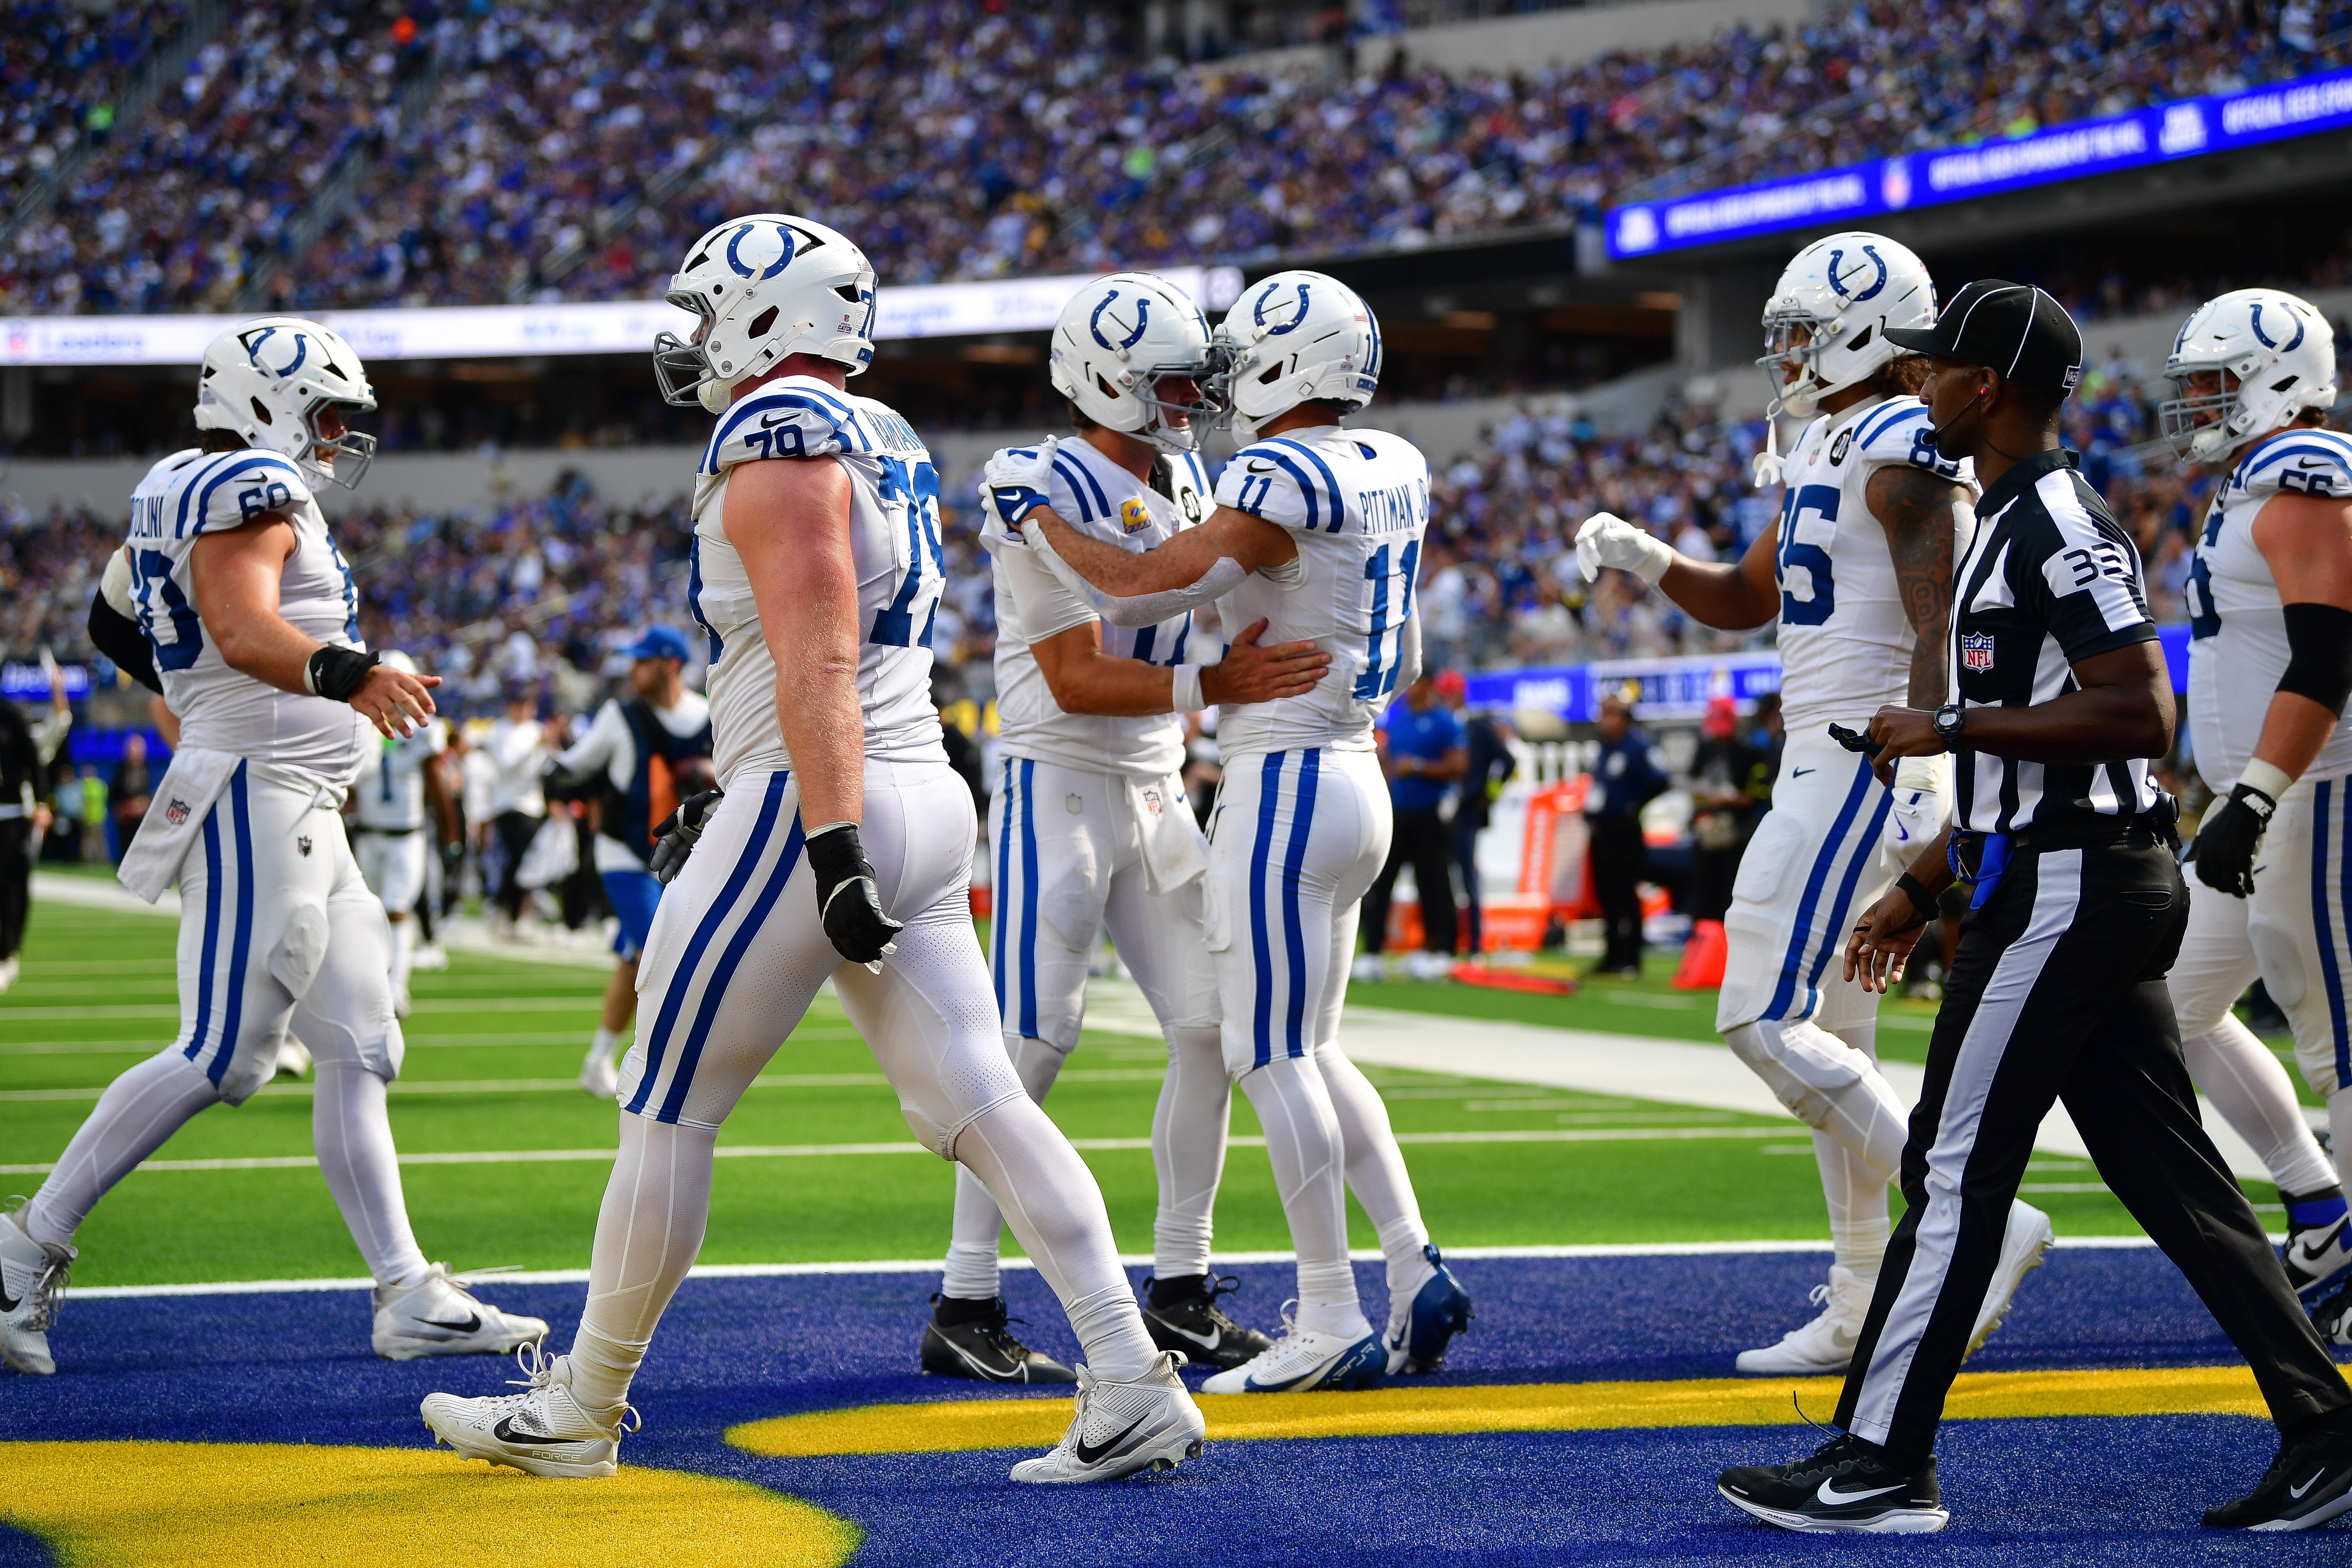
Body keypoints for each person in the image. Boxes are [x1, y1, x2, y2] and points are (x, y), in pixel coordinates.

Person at [420, 215, 1205, 1485]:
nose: (691, 337)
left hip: (819, 801)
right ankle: (1128, 1377)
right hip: (913, 791)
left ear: (768, 312)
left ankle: (581, 1405)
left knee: (669, 1104)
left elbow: (818, 651)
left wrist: (824, 840)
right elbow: (813, 650)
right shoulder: (881, 434)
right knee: (981, 1098)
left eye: (705, 307)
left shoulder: (775, 432)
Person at [1718, 280, 2352, 1534]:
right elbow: (2040, 756)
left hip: (2073, 886)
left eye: (1938, 366)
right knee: (2174, 1183)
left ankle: (1880, 1456)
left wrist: (1946, 723)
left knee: (1952, 1168)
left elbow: (2134, 712)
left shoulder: (2052, 518)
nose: (1919, 384)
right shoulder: (2006, 516)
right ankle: (2326, 1424)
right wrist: (1920, 880)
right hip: (2051, 872)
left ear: (1986, 384)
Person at [0, 317, 543, 1377]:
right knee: (225, 1051)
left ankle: (405, 1290)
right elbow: (243, 629)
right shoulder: (243, 484)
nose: (338, 436)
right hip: (259, 793)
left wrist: (196, 693)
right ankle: (22, 1248)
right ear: (265, 398)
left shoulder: (185, 483)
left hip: (294, 799)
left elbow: (117, 625)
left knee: (361, 1043)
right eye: (329, 413)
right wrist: (349, 675)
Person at [992, 268, 1475, 1395]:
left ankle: (1329, 1309)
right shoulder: (1395, 461)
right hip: (1359, 764)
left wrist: (1039, 518)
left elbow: (1144, 585)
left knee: (1268, 1051)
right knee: (1314, 1045)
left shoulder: (1277, 470)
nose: (1216, 387)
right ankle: (1411, 1263)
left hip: (1289, 778)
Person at [1578, 232, 2050, 1375]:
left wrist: (1932, 745)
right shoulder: (1831, 436)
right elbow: (1751, 595)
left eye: (1800, 332)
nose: (1785, 354)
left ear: (1863, 331)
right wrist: (1645, 556)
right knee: (1838, 1036)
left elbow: (1941, 607)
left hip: (1861, 753)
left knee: (1757, 1014)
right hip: (1833, 747)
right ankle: (1856, 1296)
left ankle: (1977, 1226)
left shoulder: (1895, 436)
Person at [937, 272, 1327, 1382]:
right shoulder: (1043, 482)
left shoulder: (1181, 470)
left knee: (1209, 1027)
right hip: (1061, 782)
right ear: (1106, 378)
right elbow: (1069, 677)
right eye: (1167, 381)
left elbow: (1198, 611)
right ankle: (965, 1296)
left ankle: (1181, 1286)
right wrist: (1220, 680)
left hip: (1155, 788)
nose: (1188, 399)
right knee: (1028, 1044)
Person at [2157, 287, 2352, 1318]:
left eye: (2209, 384)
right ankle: (2320, 1212)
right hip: (2256, 803)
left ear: (2276, 376)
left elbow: (2326, 656)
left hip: (2312, 793)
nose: (2192, 404)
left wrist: (2259, 792)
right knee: (2168, 1001)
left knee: (2337, 1039)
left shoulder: (2303, 472)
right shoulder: (2245, 482)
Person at [544, 625, 713, 1099]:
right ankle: (656, 1067)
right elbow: (575, 767)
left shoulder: (708, 715)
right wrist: (554, 767)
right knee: (660, 955)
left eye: (643, 660)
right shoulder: (619, 715)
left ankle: (597, 1059)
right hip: (626, 855)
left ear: (671, 664)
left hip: (687, 859)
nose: (633, 669)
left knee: (632, 959)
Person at [346, 651, 450, 1018]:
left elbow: (436, 786)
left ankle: (395, 990)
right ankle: (373, 984)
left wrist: (453, 830)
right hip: (370, 833)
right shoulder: (361, 725)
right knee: (368, 914)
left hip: (408, 835)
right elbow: (351, 786)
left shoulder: (425, 729)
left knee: (396, 909)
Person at [1358, 670, 1466, 981]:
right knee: (1382, 881)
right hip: (1399, 811)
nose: (1407, 689)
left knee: (1431, 882)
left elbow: (1459, 766)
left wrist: (1418, 767)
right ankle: (1373, 952)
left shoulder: (1444, 721)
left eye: (1414, 683)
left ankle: (1438, 949)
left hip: (1430, 813)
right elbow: (1391, 763)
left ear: (1428, 685)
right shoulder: (1400, 720)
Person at [1580, 692, 1668, 978]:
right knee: (1606, 895)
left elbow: (1661, 779)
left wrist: (1633, 807)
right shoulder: (1605, 748)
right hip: (1602, 830)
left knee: (1626, 895)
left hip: (1624, 831)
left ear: (1625, 718)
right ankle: (1611, 955)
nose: (1604, 721)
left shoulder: (1638, 746)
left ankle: (1631, 957)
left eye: (1610, 714)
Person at [0, 664, 70, 993]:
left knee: (14, 882)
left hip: (21, 818)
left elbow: (63, 719)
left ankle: (10, 949)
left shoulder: (33, 738)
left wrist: (58, 685)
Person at [1450, 670, 1514, 956]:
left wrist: (1489, 795)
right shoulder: (1444, 725)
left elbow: (1508, 761)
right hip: (1445, 811)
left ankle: (1475, 943)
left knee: (1467, 877)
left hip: (1466, 812)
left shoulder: (1476, 727)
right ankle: (1449, 941)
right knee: (1444, 877)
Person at [1686, 695, 1764, 925]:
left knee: (1730, 893)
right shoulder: (1704, 751)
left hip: (1736, 835)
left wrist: (1727, 799)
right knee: (1704, 894)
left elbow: (1756, 796)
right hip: (1707, 834)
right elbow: (1692, 785)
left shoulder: (1749, 753)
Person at [482, 684, 548, 935]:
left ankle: (518, 913)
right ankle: (507, 910)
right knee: (516, 860)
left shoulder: (536, 731)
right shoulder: (499, 731)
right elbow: (507, 767)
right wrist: (537, 748)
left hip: (533, 805)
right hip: (509, 805)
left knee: (528, 862)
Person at [107, 730, 152, 863]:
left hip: (140, 817)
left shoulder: (145, 769)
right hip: (125, 818)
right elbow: (113, 795)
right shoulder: (120, 770)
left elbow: (150, 794)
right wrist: (122, 808)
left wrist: (142, 804)